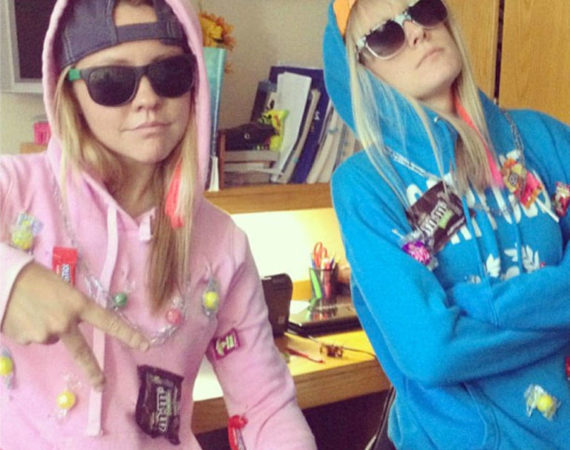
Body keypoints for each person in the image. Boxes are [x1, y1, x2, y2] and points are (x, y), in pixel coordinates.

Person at [0, 0, 317, 448]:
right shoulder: (15, 190)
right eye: (112, 81)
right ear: (69, 91)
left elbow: (266, 406)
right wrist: (9, 282)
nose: (148, 98)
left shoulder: (222, 243)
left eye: (169, 73)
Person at [323, 0, 570, 448]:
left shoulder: (544, 137)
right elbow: (431, 351)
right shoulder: (366, 184)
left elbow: (446, 338)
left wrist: (472, 305)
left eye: (422, 8)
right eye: (385, 36)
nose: (416, 32)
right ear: (360, 71)